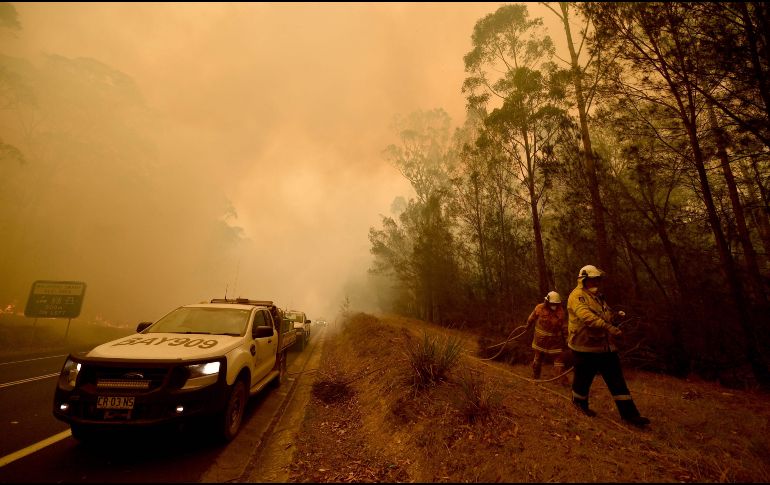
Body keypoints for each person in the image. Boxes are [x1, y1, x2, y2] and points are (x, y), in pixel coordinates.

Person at [567, 265, 650, 426]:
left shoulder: (598, 296)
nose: (596, 282)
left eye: (598, 279)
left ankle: (630, 416)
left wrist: (614, 317)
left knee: (617, 380)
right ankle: (579, 407)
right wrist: (609, 327)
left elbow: (604, 314)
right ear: (584, 280)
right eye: (593, 279)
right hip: (584, 348)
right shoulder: (577, 296)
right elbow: (587, 317)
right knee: (582, 381)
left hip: (605, 347)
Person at [525, 291, 569, 384]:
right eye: (552, 303)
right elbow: (531, 318)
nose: (554, 305)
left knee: (559, 360)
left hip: (554, 343)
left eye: (556, 304)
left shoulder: (560, 312)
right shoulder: (539, 308)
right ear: (547, 302)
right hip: (540, 341)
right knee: (538, 358)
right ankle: (535, 377)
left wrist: (567, 339)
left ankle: (562, 381)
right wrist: (527, 326)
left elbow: (564, 327)